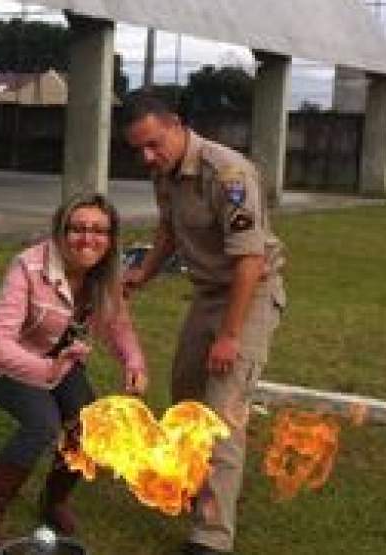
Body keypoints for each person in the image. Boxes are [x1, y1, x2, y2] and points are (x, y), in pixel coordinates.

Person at [121, 94, 286, 555]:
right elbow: (169, 232)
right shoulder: (165, 174)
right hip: (208, 294)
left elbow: (250, 260)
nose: (147, 158)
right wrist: (144, 273)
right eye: (139, 150)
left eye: (154, 144)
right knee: (186, 398)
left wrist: (230, 336)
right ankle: (196, 491)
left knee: (220, 414)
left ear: (176, 125)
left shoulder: (228, 173)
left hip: (248, 294)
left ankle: (211, 538)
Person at [0, 194, 149, 555]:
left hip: (60, 359)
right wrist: (48, 369)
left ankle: (53, 500)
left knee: (89, 425)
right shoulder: (28, 267)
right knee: (42, 426)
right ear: (61, 232)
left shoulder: (106, 270)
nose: (87, 239)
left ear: (110, 238)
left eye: (99, 230)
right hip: (6, 362)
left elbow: (118, 324)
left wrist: (134, 362)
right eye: (77, 228)